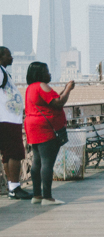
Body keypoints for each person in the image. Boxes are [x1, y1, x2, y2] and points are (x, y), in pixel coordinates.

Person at [23, 62, 74, 205]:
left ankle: (37, 195)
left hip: (32, 126)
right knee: (47, 162)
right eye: (46, 71)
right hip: (45, 127)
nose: (49, 73)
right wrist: (68, 89)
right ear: (40, 74)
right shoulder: (42, 85)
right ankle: (47, 197)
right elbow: (58, 103)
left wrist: (64, 89)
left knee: (37, 161)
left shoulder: (30, 88)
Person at [0, 47, 30, 200]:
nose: (11, 58)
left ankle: (12, 187)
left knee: (8, 154)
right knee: (16, 153)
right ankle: (15, 187)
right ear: (1, 57)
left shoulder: (3, 72)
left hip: (9, 119)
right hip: (7, 120)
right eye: (8, 55)